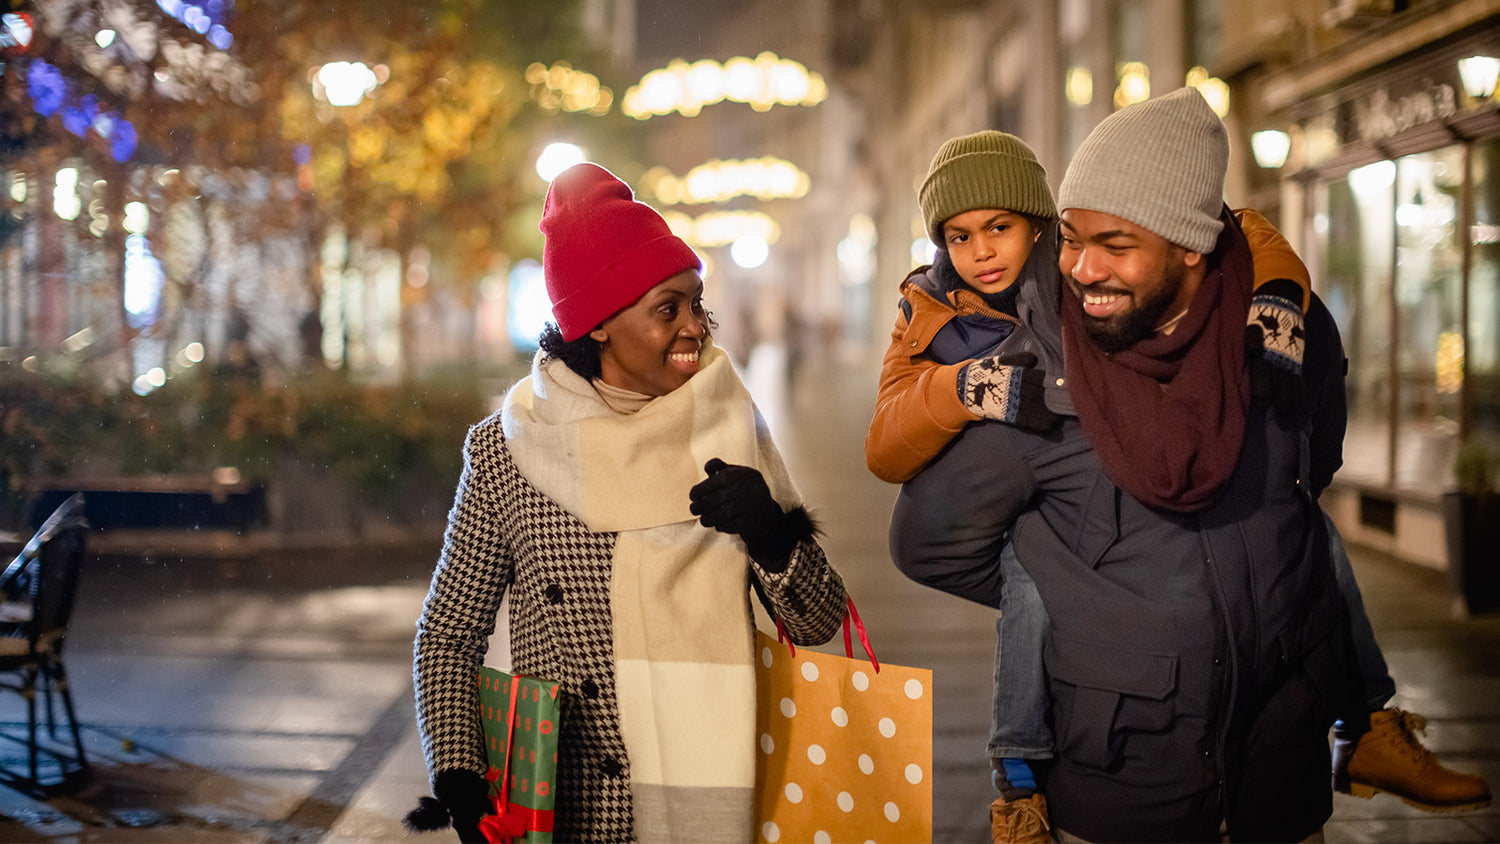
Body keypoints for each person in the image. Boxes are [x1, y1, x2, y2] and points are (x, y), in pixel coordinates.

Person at [889, 87, 1366, 842]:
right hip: (1127, 780)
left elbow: (1314, 474)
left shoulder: (1277, 344)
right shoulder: (1036, 378)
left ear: (1188, 245)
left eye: (1114, 246)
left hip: (1281, 768)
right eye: (1072, 240)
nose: (1080, 269)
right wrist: (1087, 603)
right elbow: (926, 542)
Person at [405, 162, 848, 843]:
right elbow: (448, 635)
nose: (694, 328)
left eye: (696, 304)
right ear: (600, 323)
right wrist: (462, 777)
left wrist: (771, 532)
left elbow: (818, 621)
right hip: (571, 809)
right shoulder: (508, 448)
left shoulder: (729, 427)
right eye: (667, 309)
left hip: (723, 794)